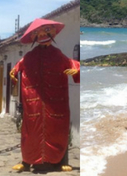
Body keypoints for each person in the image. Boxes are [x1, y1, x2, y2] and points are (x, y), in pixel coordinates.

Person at [9, 18, 79, 172]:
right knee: (30, 132)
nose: (41, 34)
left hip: (55, 103)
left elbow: (71, 63)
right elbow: (19, 66)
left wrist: (76, 69)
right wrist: (13, 72)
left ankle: (61, 161)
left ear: (52, 32)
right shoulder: (30, 56)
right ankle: (27, 162)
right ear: (34, 37)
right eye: (37, 32)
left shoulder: (57, 54)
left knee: (58, 131)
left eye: (46, 30)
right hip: (33, 103)